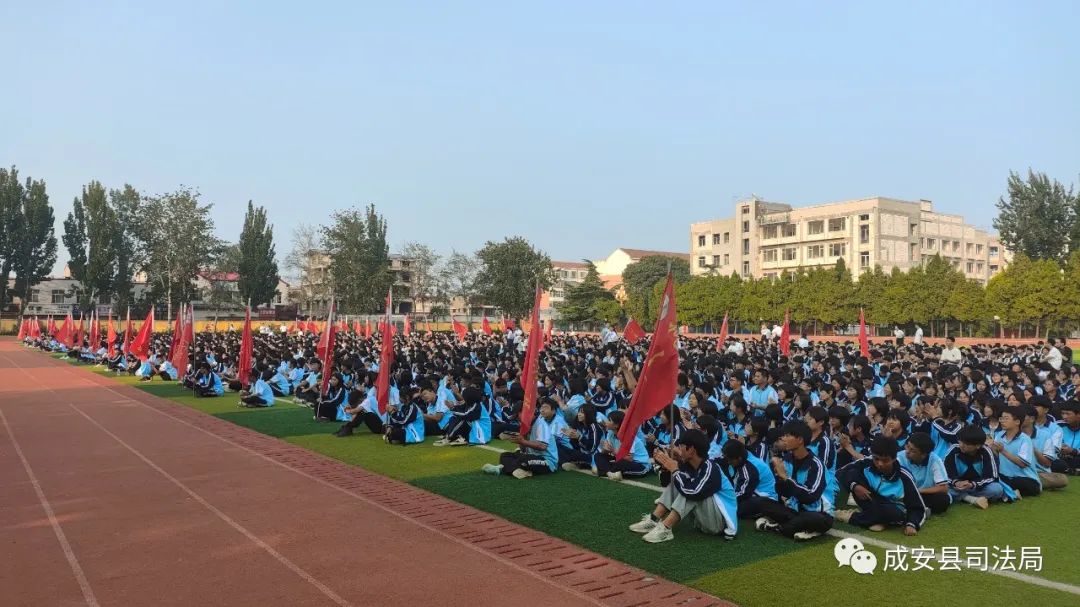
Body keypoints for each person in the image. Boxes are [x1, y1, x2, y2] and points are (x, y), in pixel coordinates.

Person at [628, 430, 738, 543]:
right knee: (679, 480)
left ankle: (665, 528)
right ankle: (653, 519)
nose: (678, 449)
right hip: (704, 519)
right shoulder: (690, 465)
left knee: (690, 489)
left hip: (719, 523)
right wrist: (667, 465)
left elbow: (694, 492)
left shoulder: (711, 468)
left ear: (691, 450)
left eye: (681, 446)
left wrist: (675, 470)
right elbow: (666, 482)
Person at [744, 421, 835, 541]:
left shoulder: (816, 464)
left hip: (817, 513)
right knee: (761, 502)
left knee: (814, 519)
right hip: (794, 510)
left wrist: (786, 478)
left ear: (800, 440)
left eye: (787, 435)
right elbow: (783, 492)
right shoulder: (787, 459)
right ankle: (793, 527)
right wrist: (780, 478)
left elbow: (810, 496)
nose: (783, 438)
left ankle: (781, 526)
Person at [835, 436, 927, 534]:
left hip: (892, 509)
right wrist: (854, 486)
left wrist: (912, 524)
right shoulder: (866, 463)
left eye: (885, 460)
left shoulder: (904, 477)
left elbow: (918, 507)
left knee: (892, 513)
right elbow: (840, 472)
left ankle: (851, 516)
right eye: (876, 459)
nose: (880, 464)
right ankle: (879, 519)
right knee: (852, 472)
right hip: (869, 500)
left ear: (894, 458)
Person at [481, 398, 559, 479]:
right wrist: (520, 441)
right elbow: (523, 450)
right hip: (532, 456)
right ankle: (516, 470)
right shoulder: (526, 425)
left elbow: (542, 446)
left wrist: (523, 441)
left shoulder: (541, 424)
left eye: (518, 416)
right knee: (504, 455)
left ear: (525, 412)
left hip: (547, 462)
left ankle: (503, 469)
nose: (518, 419)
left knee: (523, 459)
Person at [943, 425, 1016, 509]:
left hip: (978, 486)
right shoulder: (953, 450)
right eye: (960, 442)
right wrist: (956, 482)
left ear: (978, 445)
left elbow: (992, 477)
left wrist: (972, 484)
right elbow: (944, 474)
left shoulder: (986, 452)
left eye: (966, 444)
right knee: (943, 488)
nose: (961, 445)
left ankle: (963, 497)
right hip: (957, 486)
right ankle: (970, 498)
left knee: (996, 489)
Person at [991, 407, 1042, 497]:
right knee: (993, 478)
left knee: (1020, 483)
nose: (1002, 421)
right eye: (1001, 418)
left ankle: (1007, 492)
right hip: (1005, 476)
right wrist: (992, 448)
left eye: (1006, 418)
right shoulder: (999, 435)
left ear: (1017, 422)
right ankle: (1010, 492)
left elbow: (1022, 464)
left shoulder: (1025, 439)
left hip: (1025, 478)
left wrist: (1003, 451)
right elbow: (996, 457)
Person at [897, 432, 951, 515]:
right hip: (904, 493)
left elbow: (943, 488)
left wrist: (917, 491)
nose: (907, 451)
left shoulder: (935, 460)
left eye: (913, 450)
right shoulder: (899, 457)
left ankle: (913, 509)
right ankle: (922, 510)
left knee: (942, 499)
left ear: (923, 455)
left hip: (924, 493)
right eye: (907, 446)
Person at [593, 410, 651, 480]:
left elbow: (630, 458)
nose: (606, 422)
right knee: (598, 455)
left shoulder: (628, 437)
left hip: (639, 464)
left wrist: (613, 451)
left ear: (616, 425)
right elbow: (605, 452)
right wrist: (604, 449)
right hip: (620, 459)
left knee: (621, 463)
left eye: (609, 420)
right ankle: (609, 473)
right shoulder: (610, 433)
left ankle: (603, 470)